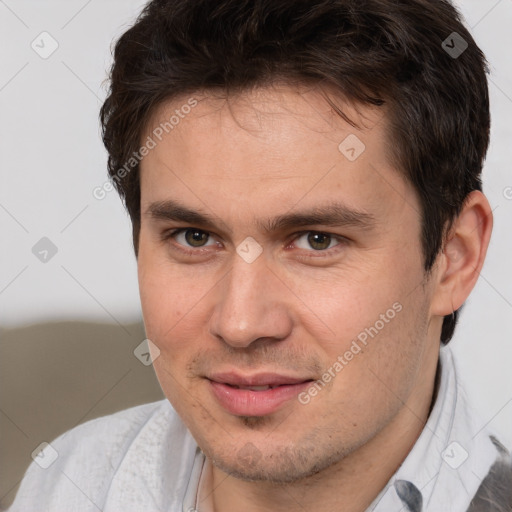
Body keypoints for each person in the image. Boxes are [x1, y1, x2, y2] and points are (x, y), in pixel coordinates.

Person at [9, 0, 512, 510]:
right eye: (194, 237)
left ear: (455, 256)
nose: (241, 323)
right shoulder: (68, 484)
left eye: (317, 240)